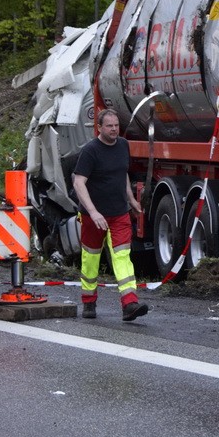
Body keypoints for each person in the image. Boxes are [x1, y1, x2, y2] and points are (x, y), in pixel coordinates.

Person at [72, 108, 148, 321]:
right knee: (91, 260)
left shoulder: (123, 145)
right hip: (93, 218)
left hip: (119, 214)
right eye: (109, 126)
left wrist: (132, 200)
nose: (114, 129)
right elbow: (79, 183)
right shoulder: (90, 151)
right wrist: (93, 212)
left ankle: (129, 304)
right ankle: (89, 302)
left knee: (122, 256)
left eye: (116, 125)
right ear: (99, 128)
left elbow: (121, 173)